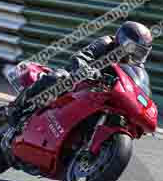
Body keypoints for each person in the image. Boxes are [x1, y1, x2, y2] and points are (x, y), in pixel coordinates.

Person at [8, 21, 154, 126]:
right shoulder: (106, 43)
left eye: (140, 52)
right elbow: (81, 56)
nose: (135, 55)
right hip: (78, 82)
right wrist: (88, 71)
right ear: (122, 41)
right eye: (133, 49)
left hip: (100, 95)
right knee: (58, 78)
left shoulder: (136, 69)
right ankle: (18, 108)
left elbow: (138, 87)